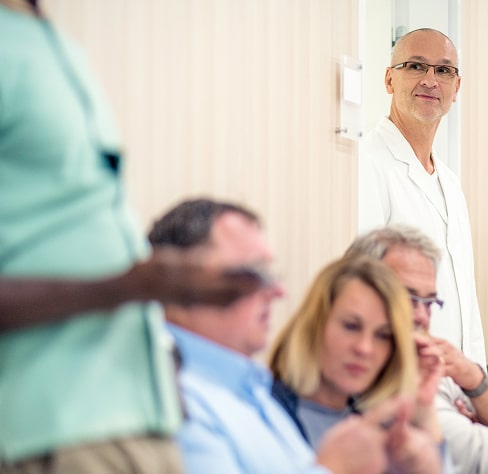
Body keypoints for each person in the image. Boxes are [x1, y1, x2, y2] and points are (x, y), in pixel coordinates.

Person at [0, 3, 258, 472]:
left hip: (142, 422)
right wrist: (128, 288)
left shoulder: (54, 46)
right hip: (53, 432)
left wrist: (157, 357)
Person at [149, 199, 440, 473]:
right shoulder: (169, 398)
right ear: (178, 283)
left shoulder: (254, 391)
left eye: (383, 335)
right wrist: (332, 468)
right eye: (253, 272)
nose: (278, 291)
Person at [341, 225, 488, 473]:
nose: (422, 316)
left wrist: (473, 379)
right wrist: (474, 433)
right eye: (409, 298)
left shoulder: (434, 364)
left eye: (429, 302)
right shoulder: (353, 374)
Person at [359, 27, 487, 366]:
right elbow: (364, 286)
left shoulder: (450, 184)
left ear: (456, 88)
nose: (431, 80)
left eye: (444, 70)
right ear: (389, 80)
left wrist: (477, 381)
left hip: (457, 385)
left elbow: (465, 299)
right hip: (399, 379)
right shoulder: (366, 163)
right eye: (415, 66)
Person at [267, 255, 447, 474]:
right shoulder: (265, 414)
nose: (365, 348)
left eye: (383, 335)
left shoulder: (384, 425)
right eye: (351, 326)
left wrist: (424, 411)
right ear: (316, 325)